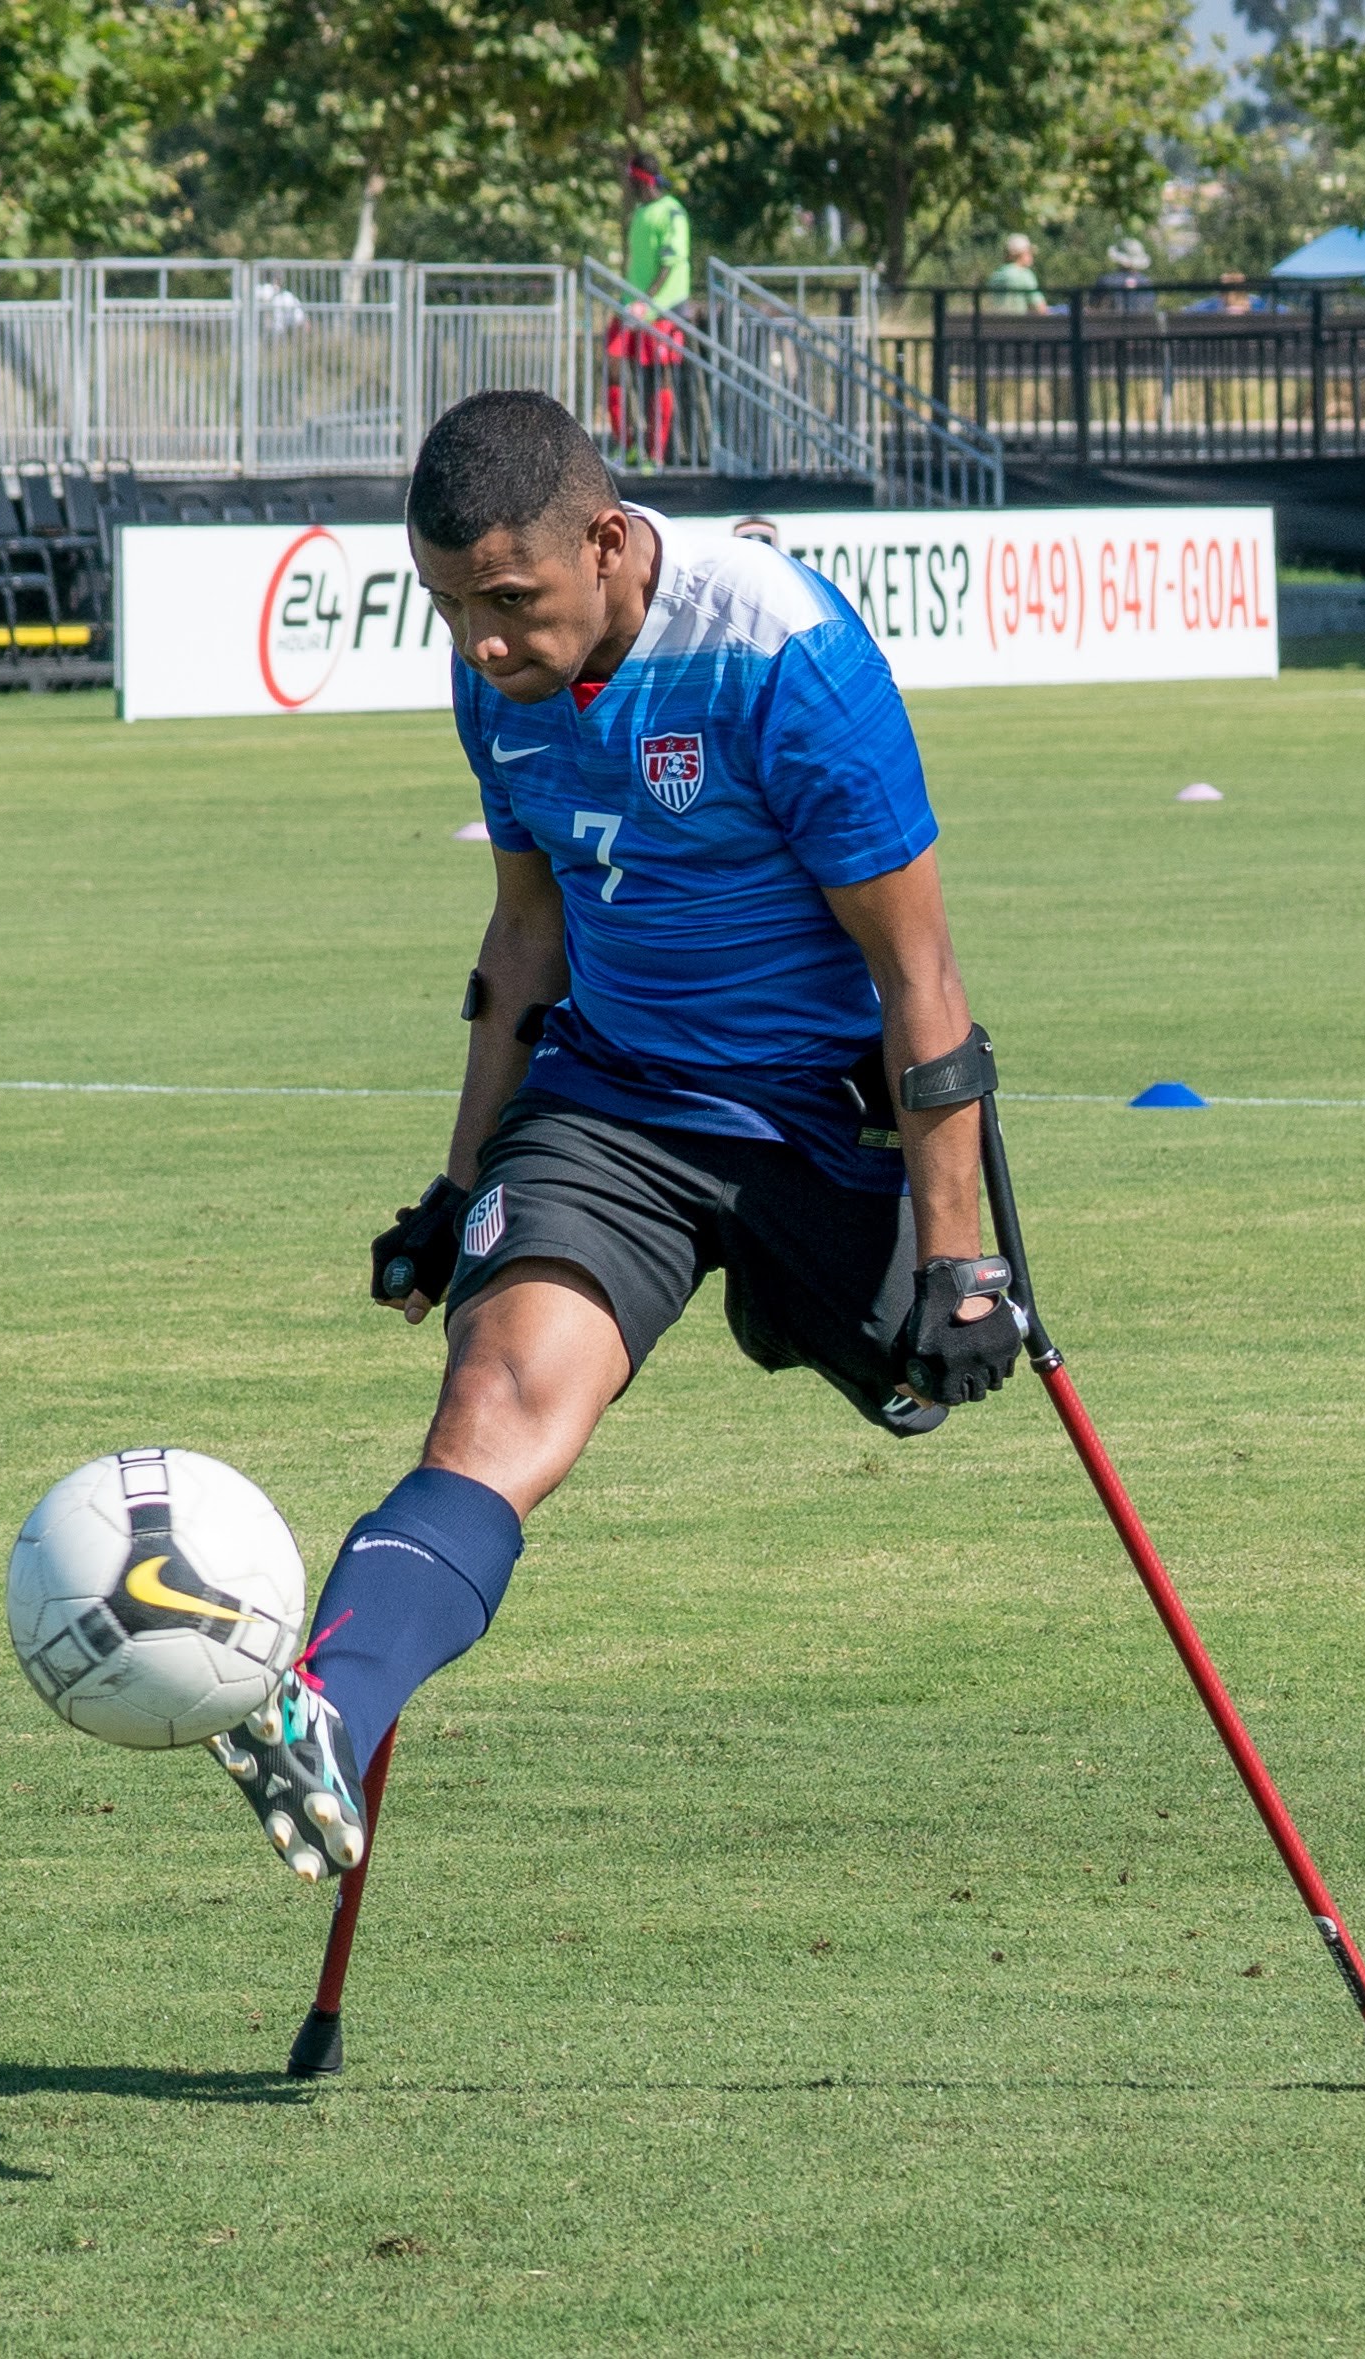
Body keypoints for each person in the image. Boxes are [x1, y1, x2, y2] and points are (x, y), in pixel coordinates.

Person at [202, 390, 1022, 1883]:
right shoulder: (494, 681)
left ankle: (791, 1302)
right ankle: (320, 1706)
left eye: (508, 603)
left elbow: (922, 982)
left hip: (816, 1116)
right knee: (497, 1405)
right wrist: (459, 1186)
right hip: (612, 1109)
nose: (481, 644)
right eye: (448, 608)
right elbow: (522, 942)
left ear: (604, 537)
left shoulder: (787, 654)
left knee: (919, 1385)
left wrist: (961, 1262)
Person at [607, 153, 691, 469]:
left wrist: (648, 302)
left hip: (662, 311)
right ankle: (626, 444)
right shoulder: (640, 213)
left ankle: (654, 454)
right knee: (613, 366)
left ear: (639, 179)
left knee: (658, 378)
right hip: (633, 309)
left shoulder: (672, 213)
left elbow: (670, 265)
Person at [984, 233, 1047, 316]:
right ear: (1021, 254)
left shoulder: (996, 275)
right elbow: (1041, 309)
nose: (1032, 256)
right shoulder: (1024, 274)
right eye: (1029, 252)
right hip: (1019, 326)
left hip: (995, 326)